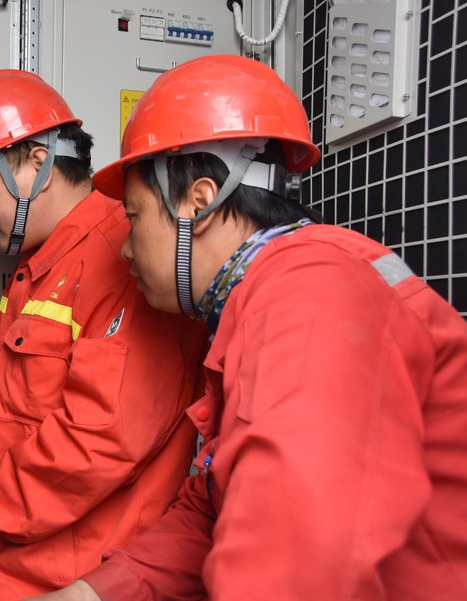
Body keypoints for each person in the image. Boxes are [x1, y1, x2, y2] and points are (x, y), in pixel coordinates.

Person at [27, 54, 467, 601]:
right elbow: (212, 508)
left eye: (134, 218)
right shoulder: (265, 297)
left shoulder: (311, 294)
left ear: (199, 202)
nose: (125, 248)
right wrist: (89, 595)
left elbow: (293, 567)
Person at [0, 70, 209, 600]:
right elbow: (29, 418)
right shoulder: (41, 264)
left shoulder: (127, 259)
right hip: (3, 578)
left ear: (36, 162)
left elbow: (92, 449)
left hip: (61, 587)